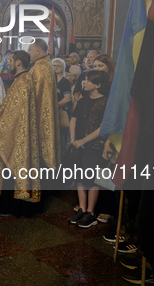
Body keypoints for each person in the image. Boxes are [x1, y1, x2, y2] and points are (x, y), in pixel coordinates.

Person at [0, 50, 41, 215]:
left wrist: (0, 125)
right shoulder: (23, 79)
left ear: (18, 62)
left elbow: (14, 113)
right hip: (20, 132)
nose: (9, 63)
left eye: (11, 60)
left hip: (16, 134)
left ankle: (10, 207)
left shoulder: (22, 81)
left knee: (11, 169)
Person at [67, 70, 110, 228]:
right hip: (78, 144)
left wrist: (83, 140)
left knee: (91, 179)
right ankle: (82, 209)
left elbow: (102, 128)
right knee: (79, 177)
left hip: (93, 145)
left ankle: (90, 213)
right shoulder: (84, 99)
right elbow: (74, 119)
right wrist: (73, 139)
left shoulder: (105, 102)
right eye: (84, 79)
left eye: (88, 80)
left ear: (98, 85)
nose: (84, 82)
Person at [28, 39, 60, 172]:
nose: (28, 53)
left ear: (38, 51)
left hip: (40, 117)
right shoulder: (45, 65)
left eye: (30, 50)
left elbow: (33, 96)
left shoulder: (40, 68)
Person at [53, 57, 72, 159]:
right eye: (54, 66)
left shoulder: (65, 82)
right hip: (51, 113)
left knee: (60, 138)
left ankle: (61, 159)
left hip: (60, 112)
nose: (56, 68)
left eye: (58, 66)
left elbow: (67, 98)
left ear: (63, 68)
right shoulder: (50, 81)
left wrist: (55, 105)